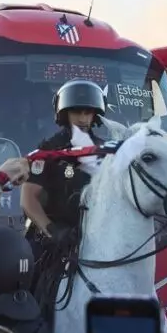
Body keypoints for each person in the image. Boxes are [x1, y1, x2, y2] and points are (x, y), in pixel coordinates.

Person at [21, 79, 107, 263]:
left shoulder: (105, 150)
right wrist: (53, 231)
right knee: (24, 276)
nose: (83, 119)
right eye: (76, 112)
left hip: (98, 237)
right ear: (65, 114)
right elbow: (28, 200)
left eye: (88, 112)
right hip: (53, 240)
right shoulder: (48, 150)